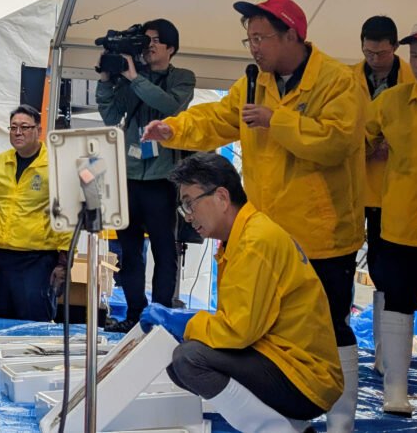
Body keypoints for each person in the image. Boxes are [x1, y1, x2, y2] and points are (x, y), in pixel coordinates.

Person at [143, 0, 364, 432]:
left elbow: (338, 140)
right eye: (249, 39)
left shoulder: (337, 81)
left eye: (261, 37)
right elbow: (219, 117)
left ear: (291, 36)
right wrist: (174, 129)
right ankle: (284, 416)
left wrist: (276, 120)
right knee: (263, 329)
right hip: (267, 227)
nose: (255, 47)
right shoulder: (252, 82)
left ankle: (341, 422)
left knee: (330, 325)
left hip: (321, 231)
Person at [142, 153, 341, 433]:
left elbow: (238, 330)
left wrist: (186, 323)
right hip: (282, 357)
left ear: (222, 197)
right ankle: (293, 426)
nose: (187, 216)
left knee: (189, 360)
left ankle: (278, 430)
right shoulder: (241, 237)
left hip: (305, 375)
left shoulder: (255, 241)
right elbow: (241, 318)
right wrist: (187, 321)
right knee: (180, 365)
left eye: (190, 203)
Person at [96, 18, 195, 332]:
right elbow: (111, 115)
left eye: (155, 41)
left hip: (162, 179)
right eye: (145, 41)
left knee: (164, 251)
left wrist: (135, 78)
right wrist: (105, 78)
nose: (148, 46)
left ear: (171, 48)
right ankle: (135, 315)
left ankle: (161, 317)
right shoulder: (130, 76)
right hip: (129, 175)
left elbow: (169, 107)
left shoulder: (182, 77)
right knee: (130, 251)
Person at [364, 21, 417, 416]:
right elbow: (357, 140)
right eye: (415, 53)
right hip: (401, 223)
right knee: (398, 303)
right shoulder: (390, 102)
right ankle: (395, 390)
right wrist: (371, 149)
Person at [0, 105, 72, 321]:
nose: (18, 132)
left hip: (36, 260)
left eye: (25, 127)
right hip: (1, 259)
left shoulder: (55, 164)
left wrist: (64, 262)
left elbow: (67, 214)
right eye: (13, 127)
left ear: (38, 131)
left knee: (33, 324)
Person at [353, 15, 412, 374]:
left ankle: (384, 355)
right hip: (352, 186)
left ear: (394, 48)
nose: (375, 58)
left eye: (382, 53)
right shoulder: (346, 79)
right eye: (369, 52)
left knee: (386, 271)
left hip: (392, 193)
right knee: (340, 265)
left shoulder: (410, 83)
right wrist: (363, 144)